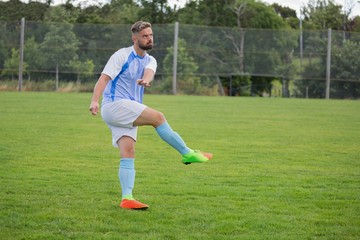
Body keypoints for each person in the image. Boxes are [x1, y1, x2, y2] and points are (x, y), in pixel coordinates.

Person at [89, 21, 212, 210]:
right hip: (115, 105)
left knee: (128, 152)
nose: (150, 39)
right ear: (135, 38)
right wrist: (94, 101)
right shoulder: (121, 55)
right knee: (158, 118)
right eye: (145, 36)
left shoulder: (150, 60)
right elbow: (104, 78)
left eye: (151, 35)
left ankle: (127, 198)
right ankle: (187, 153)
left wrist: (146, 81)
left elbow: (149, 73)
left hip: (127, 109)